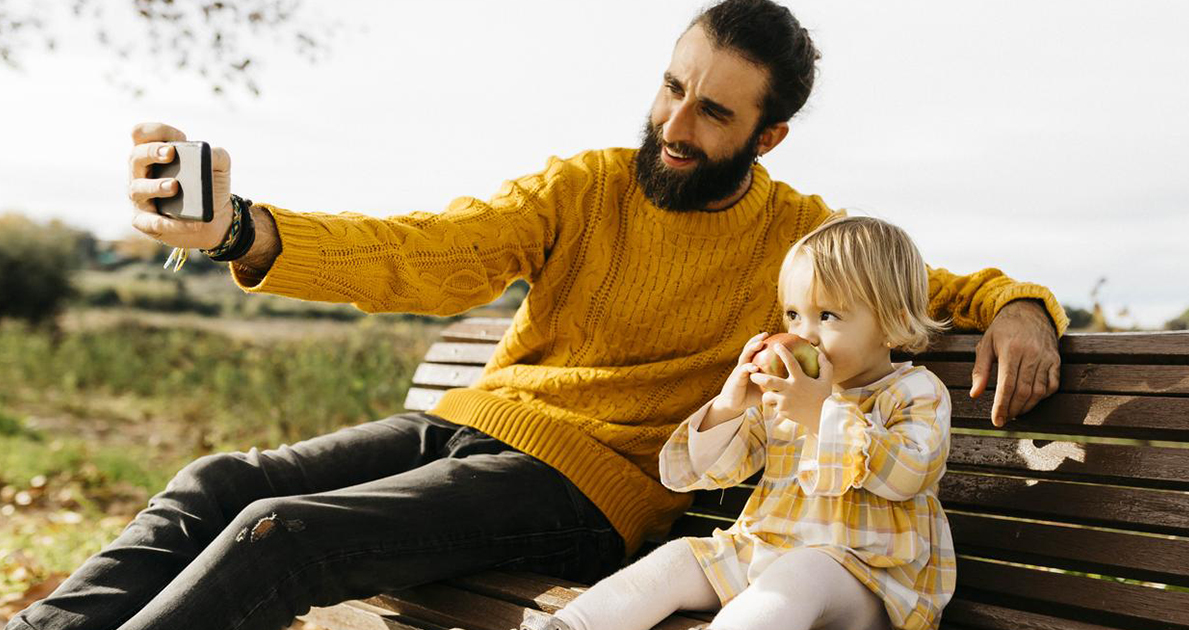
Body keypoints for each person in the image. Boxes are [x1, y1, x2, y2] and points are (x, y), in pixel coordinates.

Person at [7, 1, 1067, 629]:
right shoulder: (586, 186)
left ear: (769, 136)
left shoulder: (793, 241)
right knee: (219, 483)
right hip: (474, 424)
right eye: (671, 88)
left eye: (713, 111)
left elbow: (924, 286)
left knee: (277, 536)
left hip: (585, 489)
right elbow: (425, 251)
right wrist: (243, 229)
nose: (675, 124)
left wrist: (1017, 302)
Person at [529, 216, 954, 630]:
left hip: (868, 578)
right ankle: (569, 626)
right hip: (764, 551)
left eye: (827, 316)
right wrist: (730, 408)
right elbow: (717, 471)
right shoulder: (786, 393)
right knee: (680, 558)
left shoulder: (915, 391)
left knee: (802, 573)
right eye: (792, 315)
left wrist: (820, 414)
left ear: (894, 323)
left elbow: (909, 475)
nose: (804, 335)